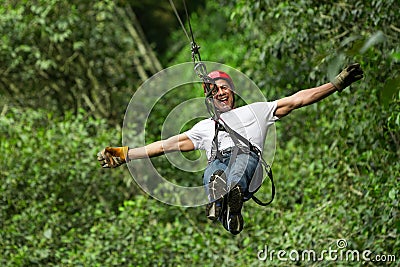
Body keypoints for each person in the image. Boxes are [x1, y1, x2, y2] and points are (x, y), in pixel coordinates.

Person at [97, 63, 364, 235]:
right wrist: (125, 154)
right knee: (214, 170)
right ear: (210, 98)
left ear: (232, 92)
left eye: (225, 88)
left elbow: (298, 99)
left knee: (238, 166)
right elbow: (166, 145)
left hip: (247, 160)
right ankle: (220, 199)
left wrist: (337, 83)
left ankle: (229, 195)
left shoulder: (257, 111)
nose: (221, 93)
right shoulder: (203, 127)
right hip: (219, 161)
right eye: (215, 91)